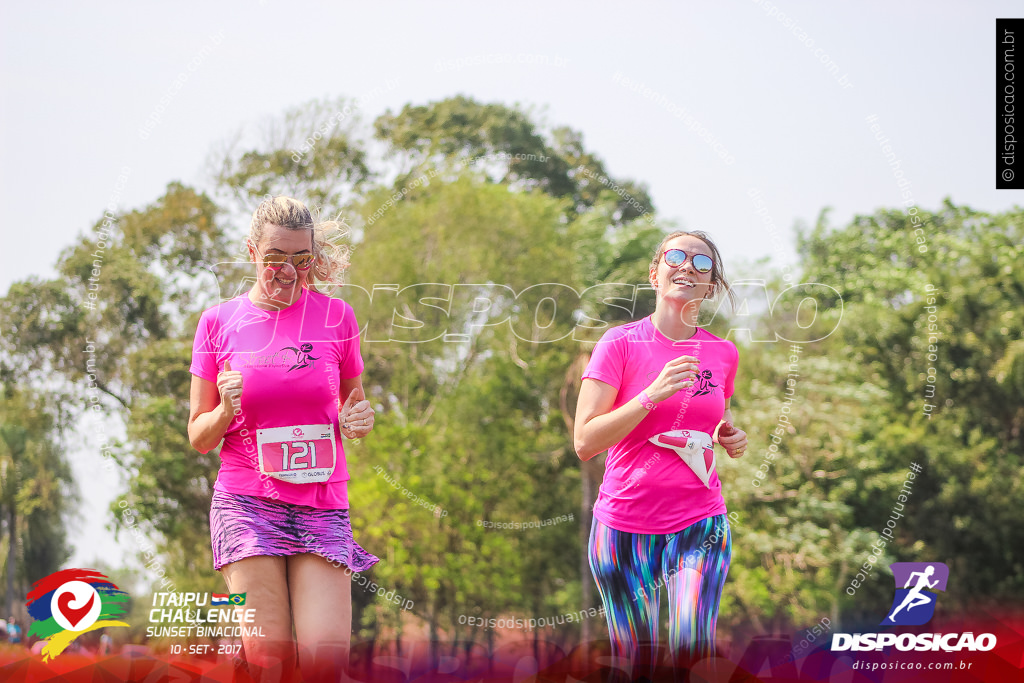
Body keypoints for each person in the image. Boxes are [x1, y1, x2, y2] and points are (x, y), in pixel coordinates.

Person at [188, 196, 378, 682]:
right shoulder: (218, 323)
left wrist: (358, 419)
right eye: (276, 259)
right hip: (247, 503)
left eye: (301, 259)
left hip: (322, 500)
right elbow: (198, 435)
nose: (288, 271)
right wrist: (226, 410)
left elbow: (351, 403)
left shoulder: (338, 317)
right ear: (252, 252)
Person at [574, 231, 748, 681]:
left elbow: (700, 425)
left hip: (699, 521)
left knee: (692, 647)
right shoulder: (619, 343)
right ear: (655, 274)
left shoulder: (722, 353)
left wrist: (725, 434)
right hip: (622, 527)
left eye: (702, 263)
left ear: (710, 286)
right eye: (676, 256)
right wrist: (650, 395)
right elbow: (585, 441)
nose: (688, 266)